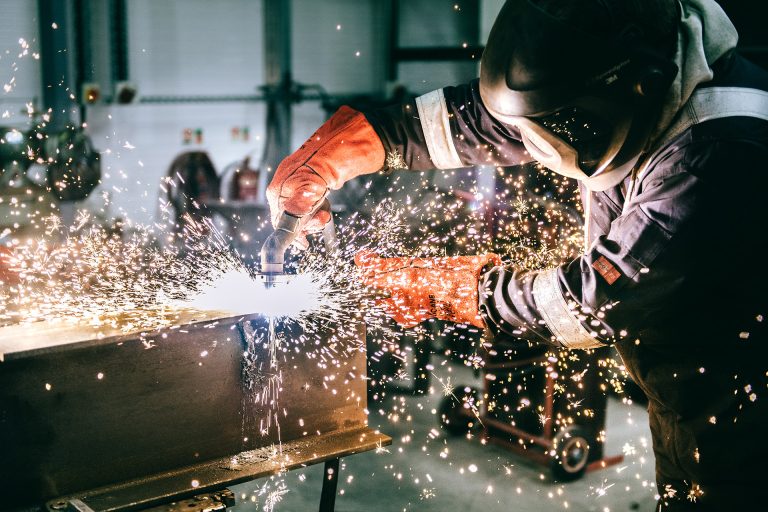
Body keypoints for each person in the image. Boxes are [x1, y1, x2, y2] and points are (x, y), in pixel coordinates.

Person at [266, 0, 768, 509]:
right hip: (686, 398)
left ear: (638, 84)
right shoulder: (614, 90)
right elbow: (475, 123)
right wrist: (343, 150)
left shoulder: (717, 155)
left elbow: (589, 305)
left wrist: (449, 288)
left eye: (547, 129)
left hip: (746, 422)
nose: (532, 142)